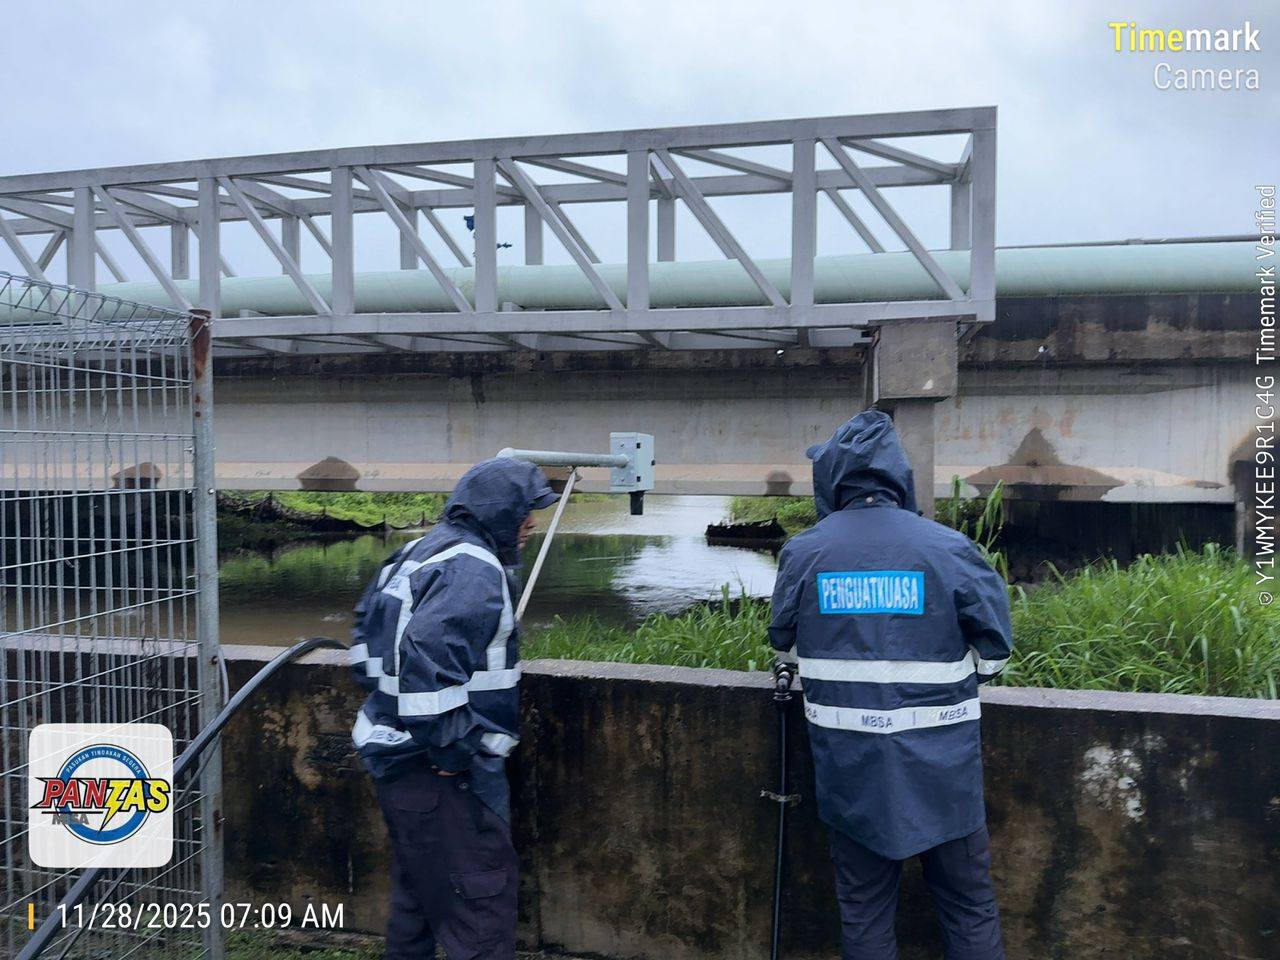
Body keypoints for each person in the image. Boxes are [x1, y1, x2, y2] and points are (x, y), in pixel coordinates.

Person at [769, 410, 1013, 960]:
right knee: (968, 906)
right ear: (896, 476)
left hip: (851, 772)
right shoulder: (949, 548)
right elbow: (994, 653)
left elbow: (782, 643)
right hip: (944, 769)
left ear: (832, 479)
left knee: (864, 913)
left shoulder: (805, 552)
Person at [348, 456, 560, 960]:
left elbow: (363, 651)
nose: (531, 522)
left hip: (393, 757)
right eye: (524, 510)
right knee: (481, 906)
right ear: (495, 510)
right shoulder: (474, 567)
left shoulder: (413, 552)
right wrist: (455, 752)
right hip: (439, 771)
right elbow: (427, 670)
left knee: (417, 901)